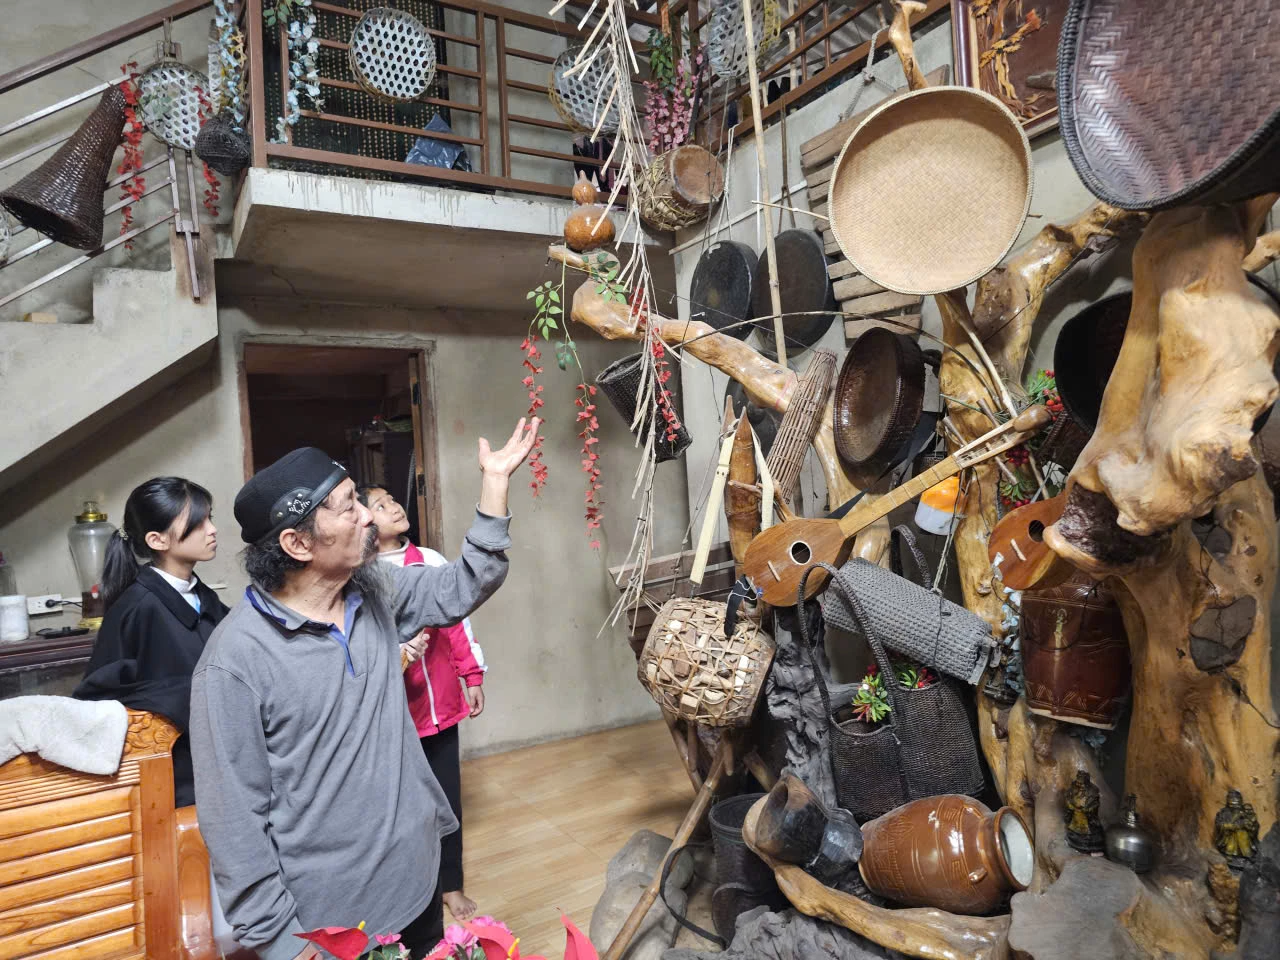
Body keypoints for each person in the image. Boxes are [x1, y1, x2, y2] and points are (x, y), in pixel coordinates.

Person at [190, 417, 539, 960]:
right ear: (297, 542)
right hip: (329, 926)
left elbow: (464, 583)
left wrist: (495, 483)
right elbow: (233, 821)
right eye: (350, 506)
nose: (366, 518)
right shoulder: (233, 664)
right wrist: (281, 942)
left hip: (416, 881)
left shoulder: (374, 589)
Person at [360, 485, 484, 923]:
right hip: (397, 715)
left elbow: (457, 624)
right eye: (379, 505)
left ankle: (451, 884)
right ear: (362, 521)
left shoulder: (427, 560)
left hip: (441, 704)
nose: (393, 505)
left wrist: (471, 675)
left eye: (392, 499)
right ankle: (414, 891)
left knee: (447, 800)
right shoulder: (361, 573)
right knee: (405, 808)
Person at [74, 477, 227, 808]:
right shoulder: (137, 608)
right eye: (198, 522)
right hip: (174, 783)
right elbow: (96, 701)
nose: (212, 529)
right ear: (157, 540)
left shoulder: (204, 598)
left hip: (219, 766)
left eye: (210, 517)